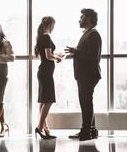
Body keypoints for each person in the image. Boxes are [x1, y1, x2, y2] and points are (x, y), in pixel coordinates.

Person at [65, 9, 102, 141]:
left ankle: (86, 132)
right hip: (85, 75)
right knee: (87, 102)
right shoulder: (89, 33)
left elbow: (93, 56)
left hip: (88, 75)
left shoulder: (93, 34)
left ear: (89, 19)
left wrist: (77, 52)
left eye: (82, 17)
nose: (79, 20)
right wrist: (75, 53)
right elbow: (87, 53)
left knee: (86, 102)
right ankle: (91, 130)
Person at [34, 16, 63, 139]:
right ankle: (40, 127)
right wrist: (58, 57)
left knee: (43, 100)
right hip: (46, 72)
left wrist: (55, 55)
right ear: (50, 25)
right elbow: (48, 56)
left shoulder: (41, 36)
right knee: (49, 100)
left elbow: (47, 55)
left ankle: (43, 127)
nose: (53, 28)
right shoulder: (46, 37)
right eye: (53, 25)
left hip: (43, 71)